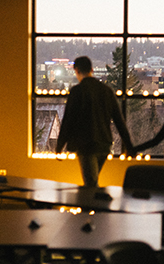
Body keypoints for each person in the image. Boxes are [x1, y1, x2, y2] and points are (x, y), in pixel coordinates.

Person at [55, 56, 134, 187]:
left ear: (77, 70)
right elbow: (119, 121)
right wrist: (129, 146)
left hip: (85, 144)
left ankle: (94, 205)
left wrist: (59, 146)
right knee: (92, 181)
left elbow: (68, 120)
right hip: (104, 143)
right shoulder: (107, 91)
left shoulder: (77, 91)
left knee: (90, 184)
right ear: (92, 69)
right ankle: (95, 204)